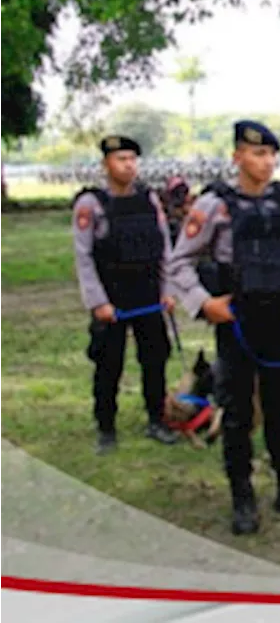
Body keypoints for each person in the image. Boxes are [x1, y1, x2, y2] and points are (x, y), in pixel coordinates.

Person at [167, 120, 280, 534]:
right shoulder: (213, 206)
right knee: (238, 413)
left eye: (272, 154)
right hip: (237, 324)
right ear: (237, 156)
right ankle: (243, 498)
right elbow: (178, 262)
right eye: (258, 154)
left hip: (279, 320)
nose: (267, 162)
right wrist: (203, 304)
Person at [73, 135, 180, 454]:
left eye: (133, 159)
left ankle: (156, 419)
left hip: (148, 294)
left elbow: (165, 249)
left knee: (155, 360)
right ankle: (106, 427)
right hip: (112, 297)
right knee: (109, 364)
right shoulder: (90, 204)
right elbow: (84, 256)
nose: (129, 165)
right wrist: (98, 302)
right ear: (106, 164)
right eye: (121, 159)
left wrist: (168, 289)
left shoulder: (149, 200)